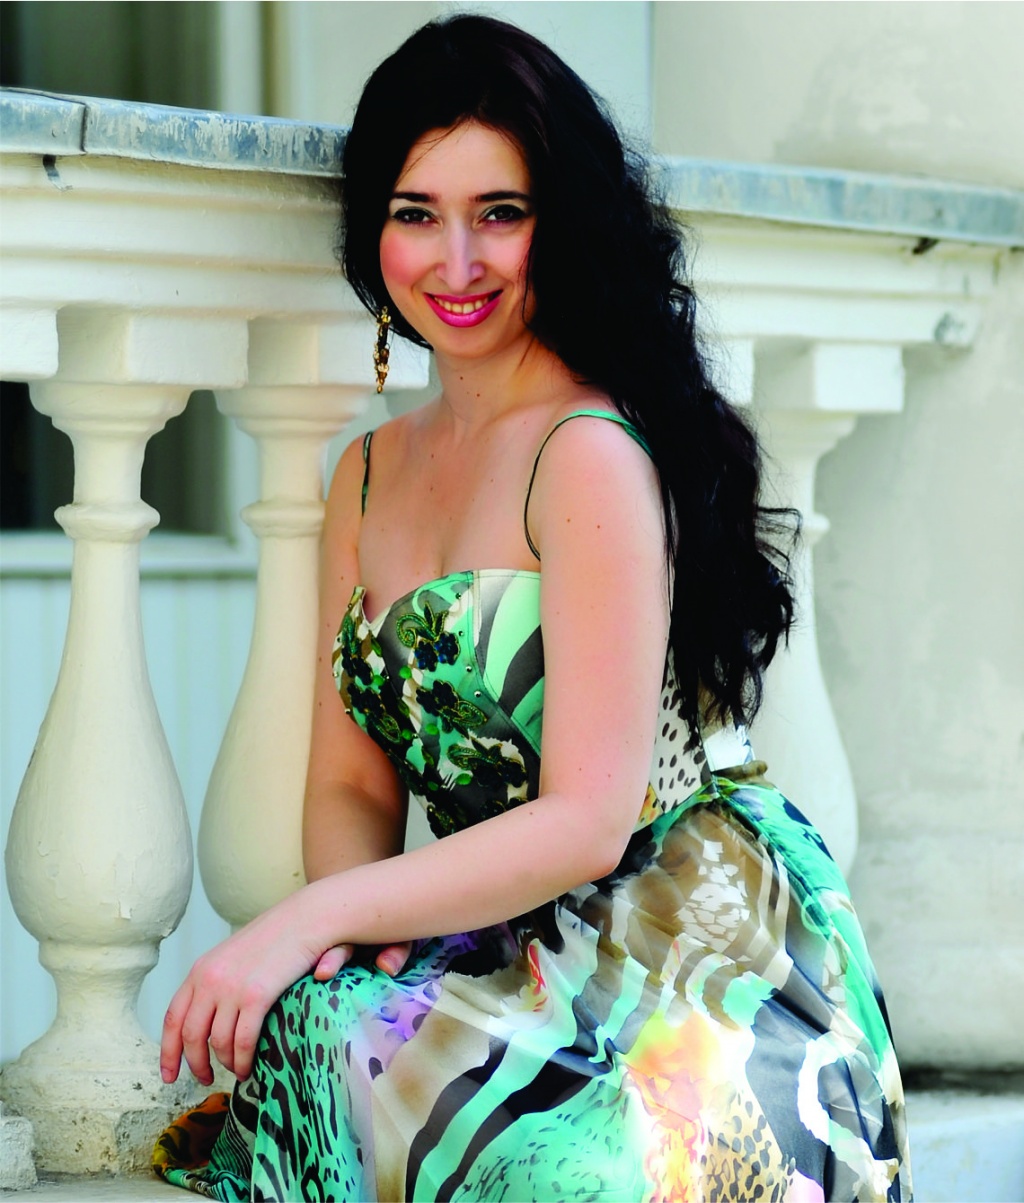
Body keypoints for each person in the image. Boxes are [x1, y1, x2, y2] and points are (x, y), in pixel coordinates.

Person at [155, 15, 912, 1202]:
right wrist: (351, 948)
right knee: (320, 1040)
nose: (456, 262)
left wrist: (301, 923)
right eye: (416, 214)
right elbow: (350, 786)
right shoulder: (362, 476)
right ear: (371, 232)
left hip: (677, 938)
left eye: (498, 213)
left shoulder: (587, 448)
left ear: (559, 222)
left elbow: (588, 824)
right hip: (494, 930)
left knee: (572, 1166)